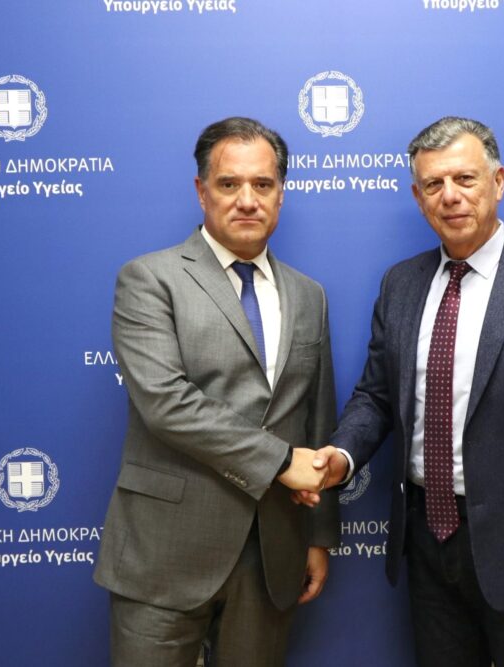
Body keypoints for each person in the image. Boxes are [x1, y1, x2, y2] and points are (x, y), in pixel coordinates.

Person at [302, 116, 504, 666]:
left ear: (498, 181)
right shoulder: (400, 284)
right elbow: (377, 397)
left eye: (465, 179)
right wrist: (340, 457)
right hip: (427, 542)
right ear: (418, 197)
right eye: (433, 184)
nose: (450, 196)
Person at [94, 117, 339, 667]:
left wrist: (318, 535)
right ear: (201, 190)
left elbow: (317, 417)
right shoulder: (150, 279)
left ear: (281, 193)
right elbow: (166, 403)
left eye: (263, 184)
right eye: (229, 184)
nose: (247, 200)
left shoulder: (310, 295)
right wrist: (282, 462)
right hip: (164, 552)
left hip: (273, 553)